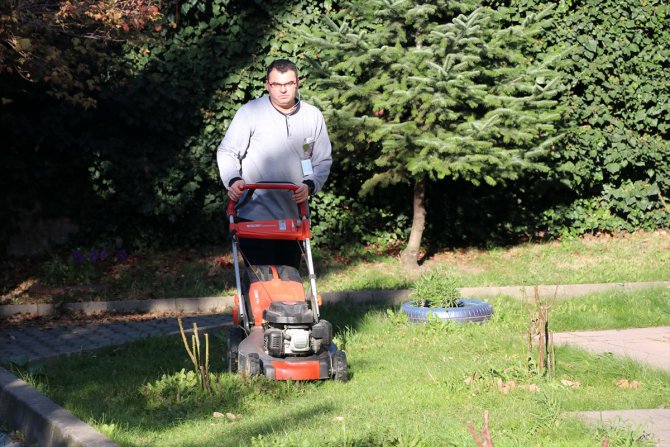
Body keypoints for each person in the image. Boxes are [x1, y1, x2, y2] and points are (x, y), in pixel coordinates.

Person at [217, 59, 332, 269]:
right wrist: (233, 179)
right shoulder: (250, 113)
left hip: (293, 217)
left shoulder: (312, 116)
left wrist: (311, 185)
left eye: (288, 83)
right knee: (260, 281)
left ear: (297, 83)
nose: (283, 90)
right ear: (267, 85)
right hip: (253, 216)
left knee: (290, 279)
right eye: (276, 85)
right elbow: (227, 151)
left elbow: (322, 160)